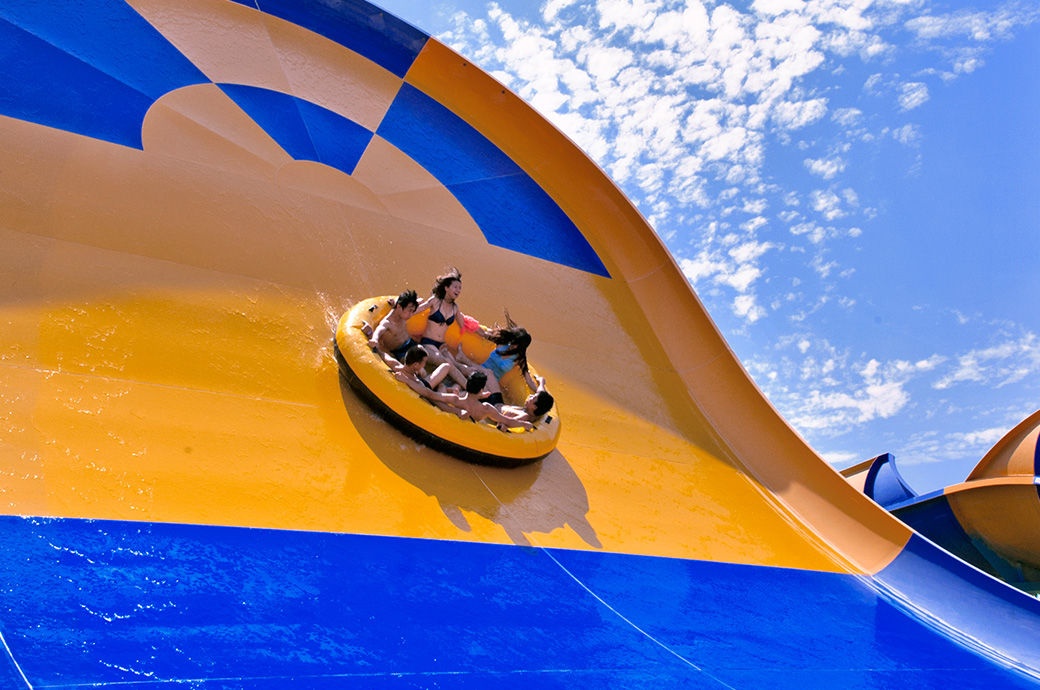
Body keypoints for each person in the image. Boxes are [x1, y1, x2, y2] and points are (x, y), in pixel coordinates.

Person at [439, 371, 533, 430]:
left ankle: (452, 388)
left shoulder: (455, 399)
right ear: (481, 390)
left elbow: (430, 395)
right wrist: (524, 424)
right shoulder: (486, 408)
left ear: (467, 384)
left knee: (444, 386)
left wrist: (454, 410)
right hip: (471, 428)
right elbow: (507, 421)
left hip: (453, 424)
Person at [388, 345, 459, 405]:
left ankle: (450, 389)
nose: (424, 365)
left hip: (423, 381)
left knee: (443, 380)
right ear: (416, 364)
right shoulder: (417, 382)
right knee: (443, 384)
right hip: (426, 385)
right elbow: (430, 394)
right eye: (424, 362)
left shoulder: (397, 366)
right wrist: (451, 399)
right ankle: (451, 389)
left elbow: (384, 356)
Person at [369, 289, 420, 365]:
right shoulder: (388, 323)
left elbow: (419, 300)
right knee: (420, 370)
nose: (411, 315)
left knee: (426, 353)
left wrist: (394, 303)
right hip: (400, 352)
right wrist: (375, 339)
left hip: (411, 343)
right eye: (410, 311)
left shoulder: (402, 314)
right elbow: (379, 330)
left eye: (413, 311)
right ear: (399, 307)